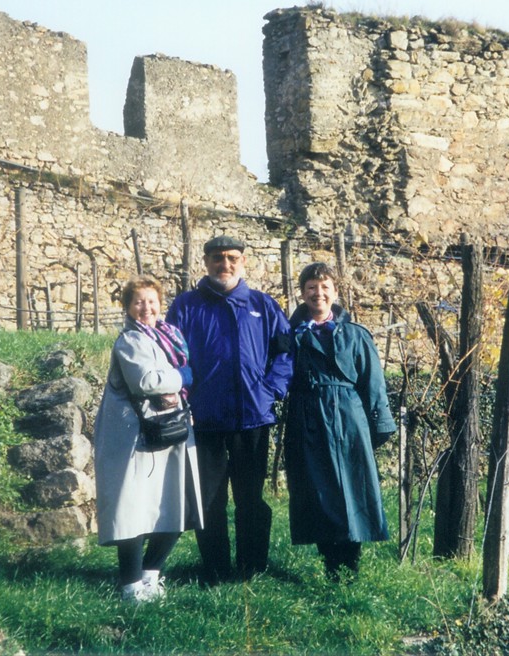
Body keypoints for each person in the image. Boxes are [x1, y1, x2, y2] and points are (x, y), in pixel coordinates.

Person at [166, 235, 293, 583]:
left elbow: (284, 353)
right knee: (209, 500)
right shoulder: (186, 306)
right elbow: (171, 356)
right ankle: (215, 568)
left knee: (251, 499)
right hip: (204, 419)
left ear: (243, 261)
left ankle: (252, 568)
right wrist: (183, 395)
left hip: (252, 418)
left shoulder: (263, 305)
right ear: (205, 262)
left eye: (232, 258)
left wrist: (271, 390)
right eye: (218, 258)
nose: (225, 264)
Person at [93, 275, 203, 603]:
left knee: (173, 506)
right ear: (128, 307)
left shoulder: (167, 336)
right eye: (139, 301)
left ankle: (151, 575)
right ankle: (130, 586)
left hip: (167, 432)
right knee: (133, 511)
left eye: (152, 301)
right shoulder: (129, 341)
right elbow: (147, 379)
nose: (147, 307)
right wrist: (182, 376)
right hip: (133, 439)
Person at [284, 262, 396, 580]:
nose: (318, 293)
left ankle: (350, 562)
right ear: (302, 293)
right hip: (308, 418)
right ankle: (330, 560)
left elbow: (372, 382)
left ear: (335, 291)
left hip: (348, 418)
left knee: (352, 488)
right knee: (317, 491)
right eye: (311, 288)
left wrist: (378, 424)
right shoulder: (290, 335)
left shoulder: (356, 335)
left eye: (324, 287)